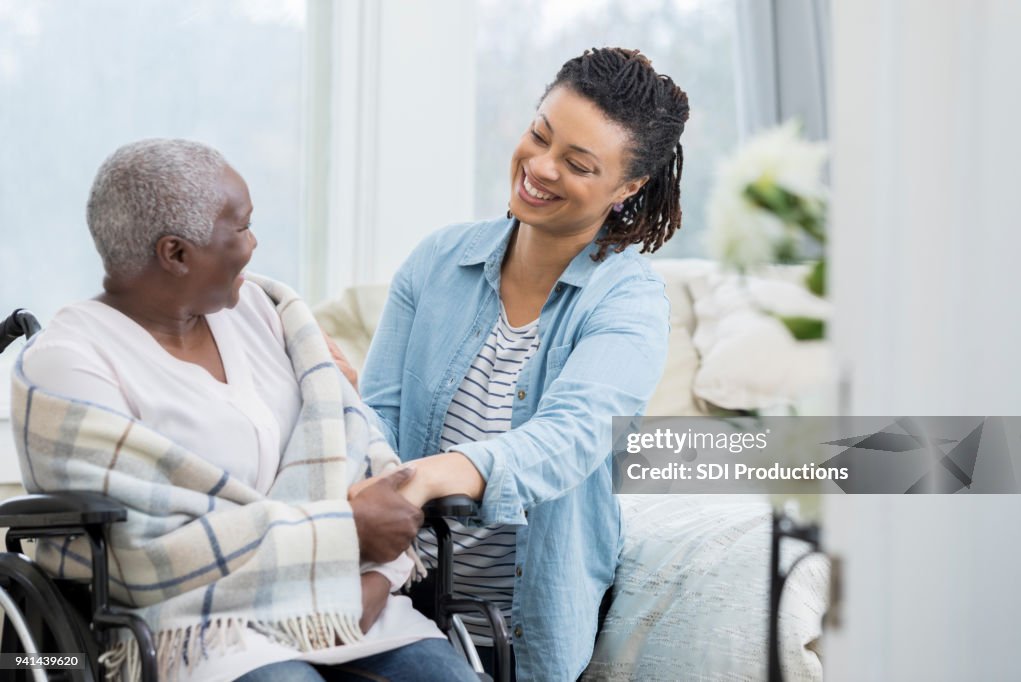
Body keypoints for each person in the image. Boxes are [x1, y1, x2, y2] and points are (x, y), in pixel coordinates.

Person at [13, 139, 478, 682]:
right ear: (176, 253)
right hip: (193, 629)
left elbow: (364, 459)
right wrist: (343, 531)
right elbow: (144, 552)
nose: (254, 243)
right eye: (240, 227)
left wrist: (373, 582)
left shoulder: (268, 314)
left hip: (345, 598)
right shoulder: (68, 363)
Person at [357, 48, 690, 681]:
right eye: (539, 135)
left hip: (519, 620)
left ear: (627, 187)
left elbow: (575, 435)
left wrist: (444, 473)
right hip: (390, 592)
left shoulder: (627, 298)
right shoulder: (438, 260)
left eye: (577, 164)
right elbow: (377, 416)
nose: (539, 167)